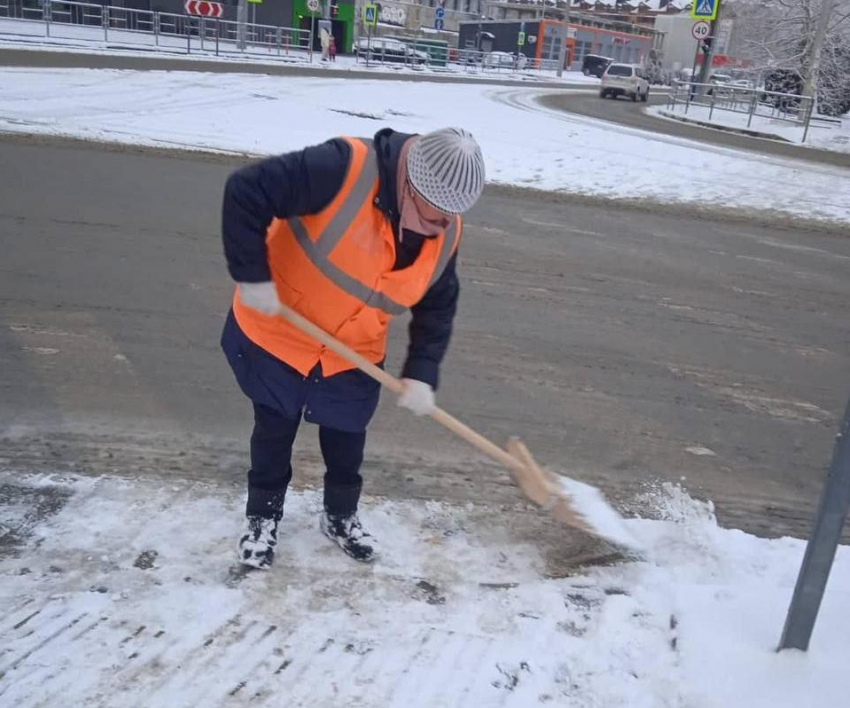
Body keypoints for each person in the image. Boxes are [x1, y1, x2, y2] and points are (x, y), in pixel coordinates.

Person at [221, 128, 485, 568]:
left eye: (449, 217)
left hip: (353, 351)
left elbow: (438, 305)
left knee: (347, 441)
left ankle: (340, 517)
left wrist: (422, 370)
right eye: (435, 214)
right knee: (273, 432)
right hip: (283, 332)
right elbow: (246, 190)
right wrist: (251, 274)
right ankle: (262, 520)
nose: (441, 227)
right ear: (409, 184)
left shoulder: (446, 230)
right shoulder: (342, 169)